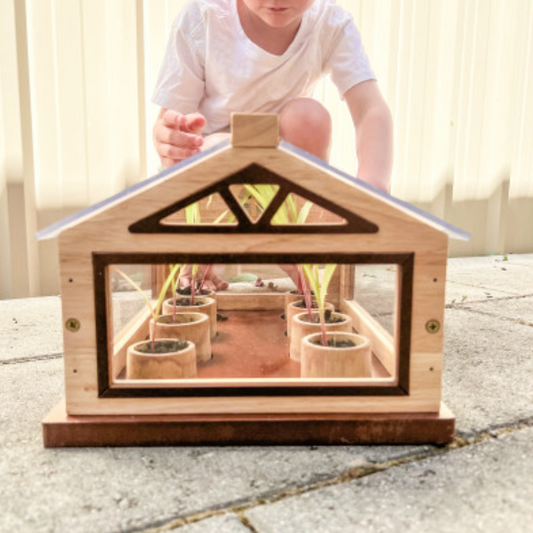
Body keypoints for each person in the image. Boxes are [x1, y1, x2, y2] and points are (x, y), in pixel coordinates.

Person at [152, 0, 393, 290]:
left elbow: (370, 109)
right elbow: (170, 122)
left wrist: (373, 187)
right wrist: (169, 139)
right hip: (212, 174)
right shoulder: (203, 18)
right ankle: (199, 263)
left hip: (282, 171)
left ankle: (299, 253)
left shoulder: (330, 23)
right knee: (218, 149)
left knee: (309, 118)